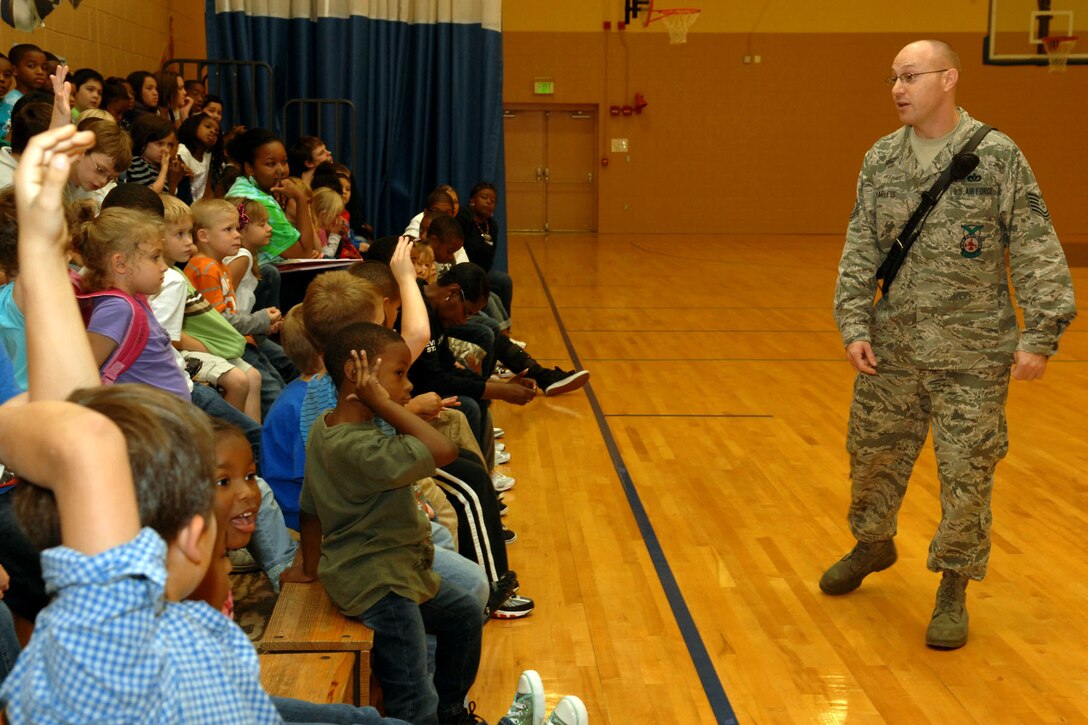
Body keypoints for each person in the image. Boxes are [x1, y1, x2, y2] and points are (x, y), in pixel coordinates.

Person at [821, 39, 1077, 650]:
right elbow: (861, 244)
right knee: (872, 457)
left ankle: (954, 584)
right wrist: (854, 324)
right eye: (892, 78)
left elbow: (1036, 245)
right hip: (894, 348)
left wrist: (1040, 333)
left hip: (974, 354)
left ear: (949, 78)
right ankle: (874, 542)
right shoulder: (881, 158)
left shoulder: (996, 156)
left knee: (968, 474)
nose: (897, 88)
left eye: (910, 76)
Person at [294, 321, 484, 725]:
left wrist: (309, 568)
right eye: (399, 374)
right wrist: (384, 405)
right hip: (381, 587)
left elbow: (309, 508)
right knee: (414, 697)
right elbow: (443, 449)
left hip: (386, 571)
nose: (410, 385)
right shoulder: (364, 448)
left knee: (465, 615)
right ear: (356, 377)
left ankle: (452, 712)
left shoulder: (326, 426)